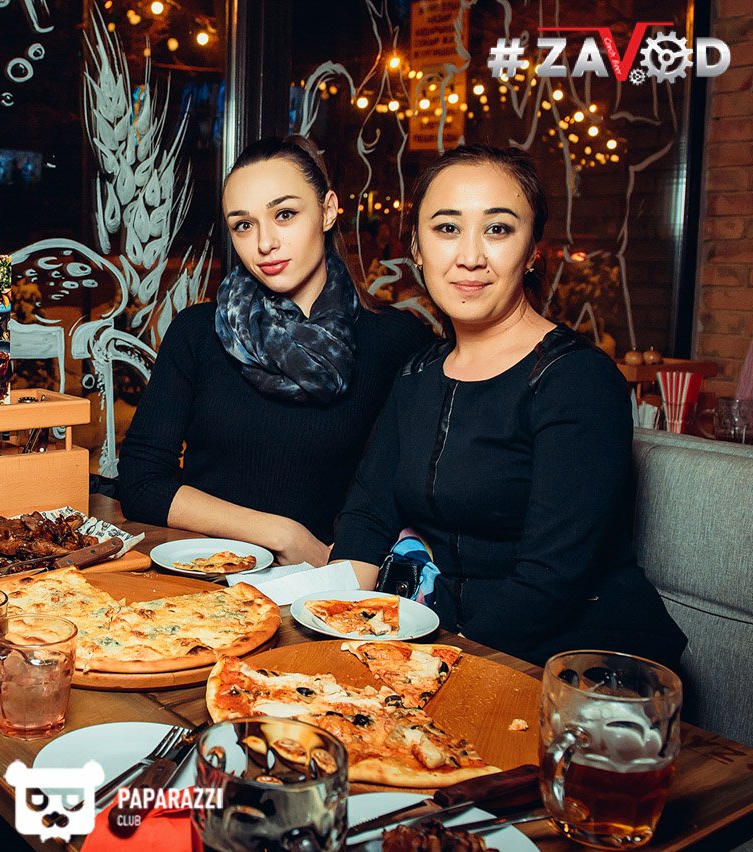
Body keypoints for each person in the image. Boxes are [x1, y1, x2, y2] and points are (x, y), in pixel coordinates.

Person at [330, 144, 686, 667]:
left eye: (497, 229)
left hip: (578, 664)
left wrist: (428, 665)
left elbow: (551, 581)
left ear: (533, 251)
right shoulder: (417, 372)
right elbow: (367, 517)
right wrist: (334, 623)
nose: (470, 256)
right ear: (417, 249)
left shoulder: (577, 380)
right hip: (447, 643)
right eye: (447, 228)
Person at [117, 136, 434, 566]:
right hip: (205, 575)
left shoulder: (396, 340)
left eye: (284, 214)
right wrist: (282, 534)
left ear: (328, 210)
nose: (265, 243)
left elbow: (411, 490)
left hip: (330, 586)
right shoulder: (197, 333)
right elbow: (140, 482)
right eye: (243, 225)